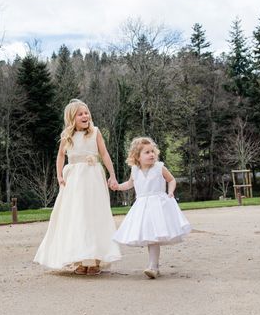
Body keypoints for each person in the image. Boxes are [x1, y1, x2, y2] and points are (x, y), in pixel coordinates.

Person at [34, 99, 122, 275]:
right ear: (72, 118)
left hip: (93, 178)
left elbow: (104, 154)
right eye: (80, 114)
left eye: (86, 113)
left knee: (94, 215)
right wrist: (59, 175)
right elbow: (60, 156)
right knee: (77, 216)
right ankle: (80, 259)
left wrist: (112, 175)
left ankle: (95, 259)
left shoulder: (95, 133)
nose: (85, 116)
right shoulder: (67, 135)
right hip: (75, 180)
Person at [110, 136, 191, 279]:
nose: (151, 154)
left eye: (152, 151)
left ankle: (153, 266)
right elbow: (129, 184)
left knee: (154, 236)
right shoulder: (135, 170)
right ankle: (154, 266)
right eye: (147, 152)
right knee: (149, 236)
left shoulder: (159, 167)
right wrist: (117, 187)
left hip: (158, 205)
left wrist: (170, 191)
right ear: (137, 156)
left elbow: (171, 180)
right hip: (142, 207)